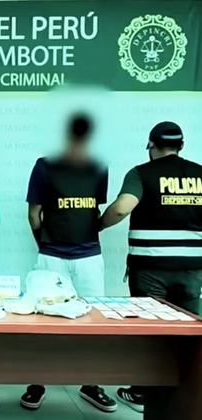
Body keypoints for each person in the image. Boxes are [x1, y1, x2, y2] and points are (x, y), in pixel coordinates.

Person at [100, 121, 202, 414]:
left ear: (150, 145)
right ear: (181, 145)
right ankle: (187, 391)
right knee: (189, 332)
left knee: (150, 330)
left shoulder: (141, 173)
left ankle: (141, 391)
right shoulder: (200, 174)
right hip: (192, 268)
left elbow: (122, 208)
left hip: (151, 268)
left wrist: (98, 225)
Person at [24, 114, 116, 412]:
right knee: (46, 321)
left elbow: (38, 215)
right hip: (58, 254)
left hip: (84, 255)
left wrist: (49, 242)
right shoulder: (46, 166)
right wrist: (46, 246)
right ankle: (41, 382)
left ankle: (85, 384)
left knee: (90, 322)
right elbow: (34, 215)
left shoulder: (98, 167)